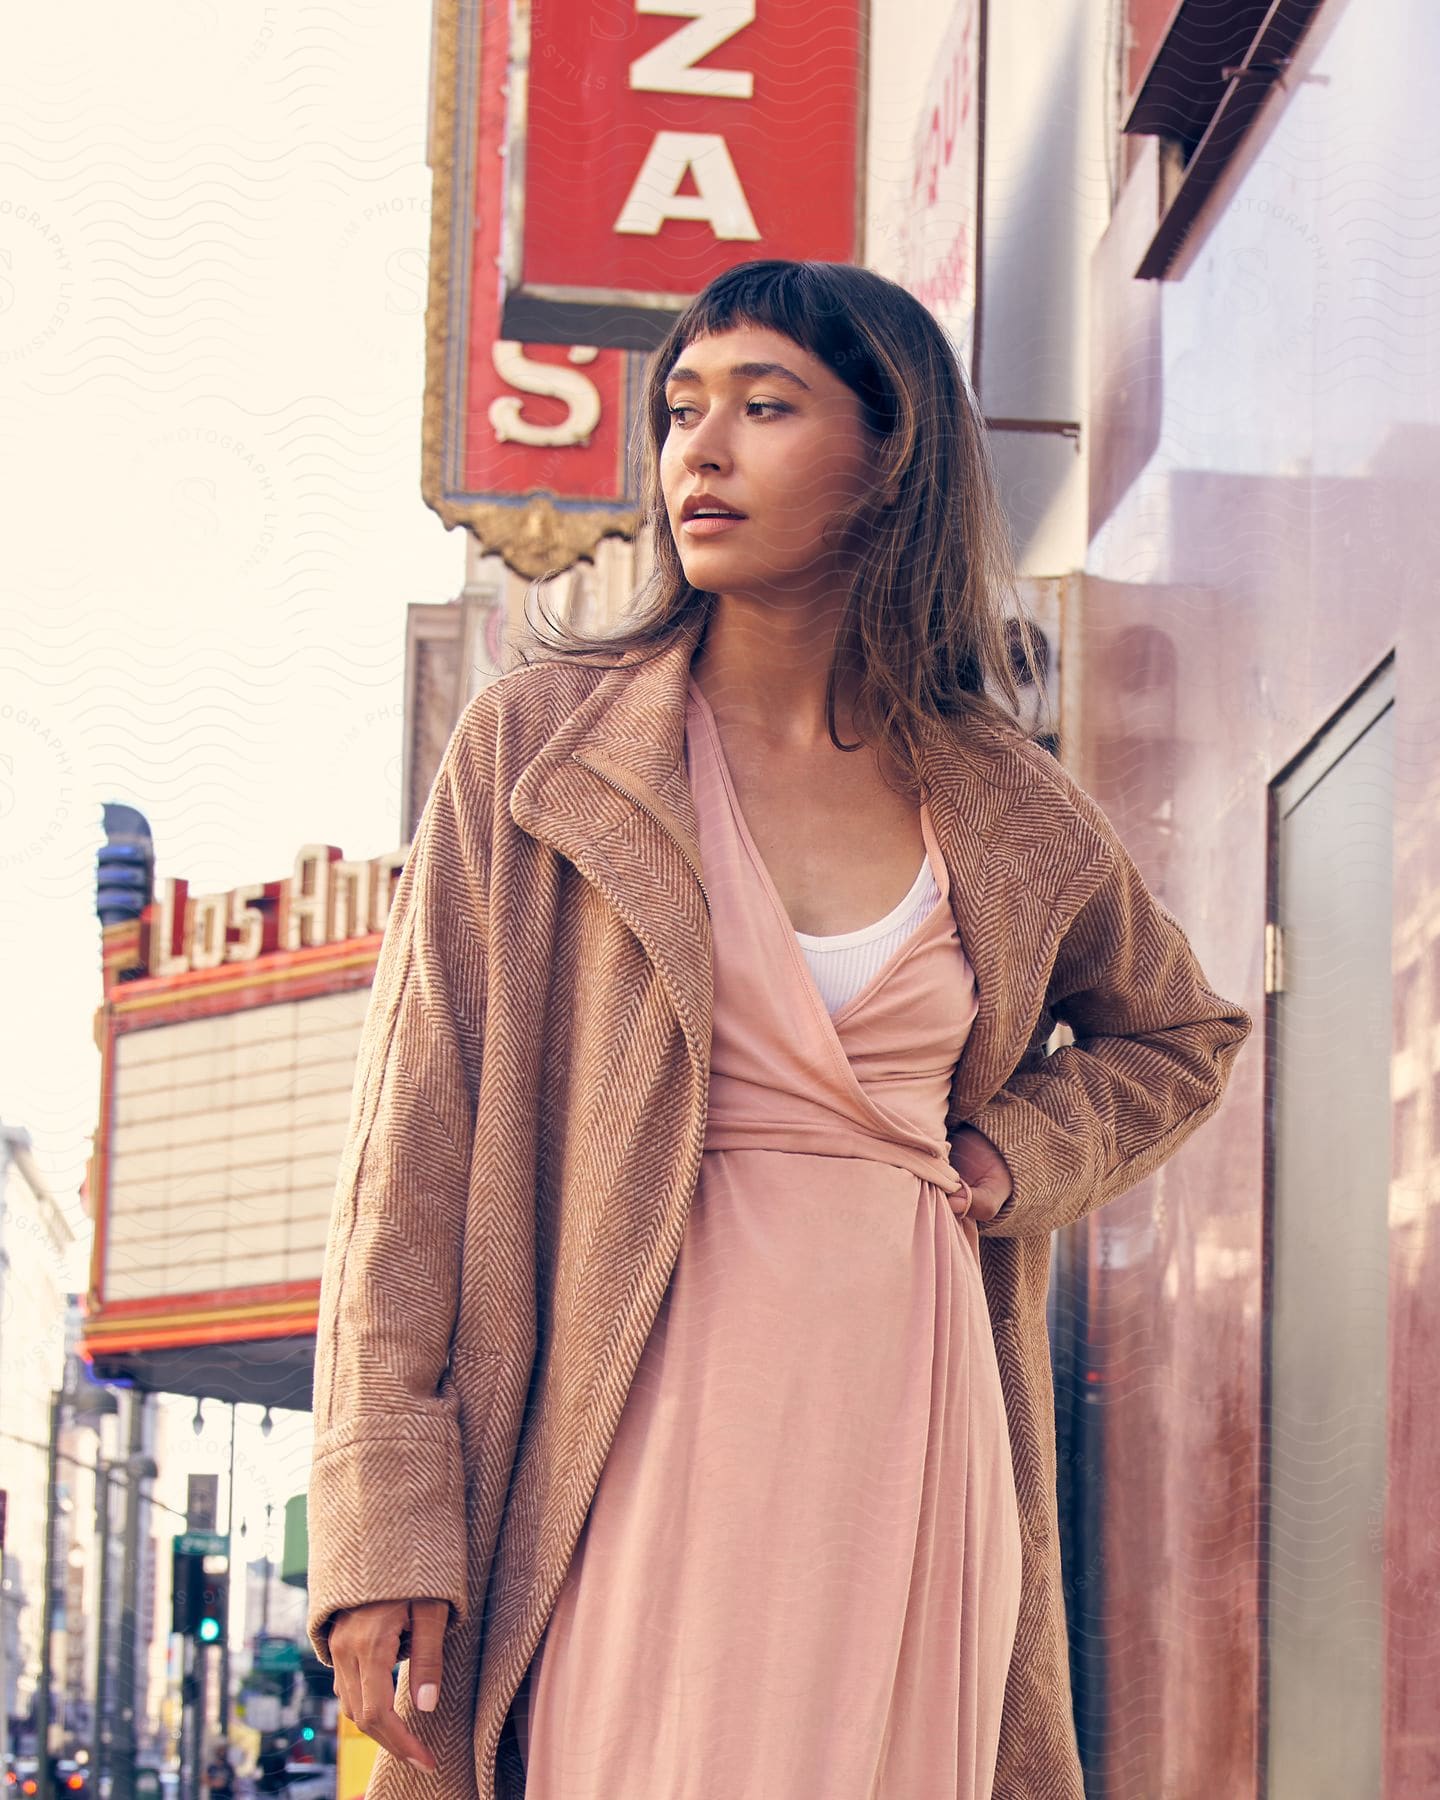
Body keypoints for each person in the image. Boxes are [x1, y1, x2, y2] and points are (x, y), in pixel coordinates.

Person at [305, 259, 1252, 1799]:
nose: (701, 449)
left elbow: (1180, 1031)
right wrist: (384, 1522)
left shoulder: (1003, 803)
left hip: (909, 1397)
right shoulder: (544, 753)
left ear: (892, 461)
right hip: (623, 1413)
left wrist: (1017, 1154)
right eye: (681, 409)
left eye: (764, 406)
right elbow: (412, 1150)